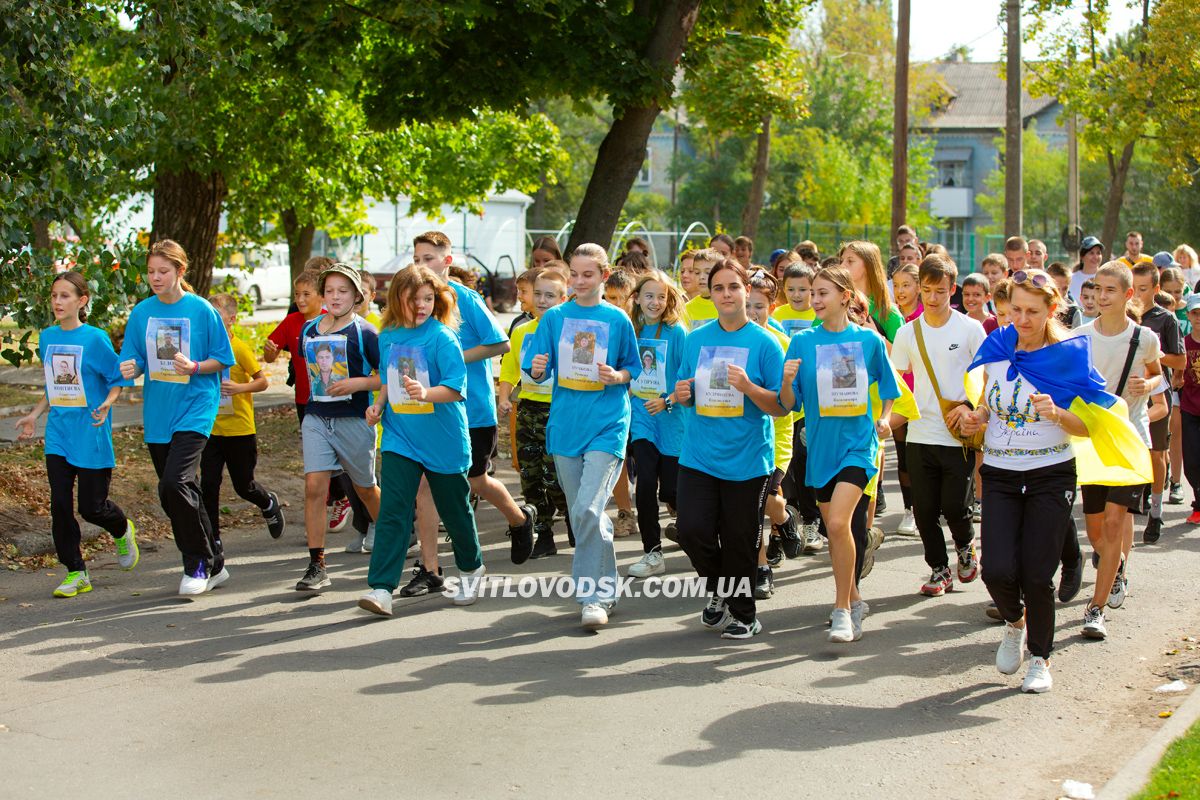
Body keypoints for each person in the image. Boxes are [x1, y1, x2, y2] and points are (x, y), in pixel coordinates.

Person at [958, 269, 1093, 693]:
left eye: (1032, 311)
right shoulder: (997, 344)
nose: (1022, 318)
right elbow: (987, 403)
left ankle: (1040, 657)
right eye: (1015, 309)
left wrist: (1058, 413)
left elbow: (1089, 426)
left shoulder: (1068, 355)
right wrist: (977, 416)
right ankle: (1015, 623)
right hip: (999, 471)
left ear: (1051, 309)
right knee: (996, 570)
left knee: (1037, 573)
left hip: (1051, 472)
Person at [524, 243, 641, 629]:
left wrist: (617, 376)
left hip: (607, 424)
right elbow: (535, 370)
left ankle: (593, 596)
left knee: (590, 509)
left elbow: (632, 370)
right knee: (584, 515)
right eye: (573, 273)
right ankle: (607, 586)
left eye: (587, 274)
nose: (578, 281)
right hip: (566, 426)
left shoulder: (618, 320)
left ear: (604, 277)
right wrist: (538, 368)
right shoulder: (555, 318)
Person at [357, 266, 486, 615]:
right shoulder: (389, 336)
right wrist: (379, 405)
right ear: (398, 298)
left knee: (454, 510)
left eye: (428, 298)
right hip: (400, 436)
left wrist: (426, 392)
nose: (422, 305)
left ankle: (472, 569)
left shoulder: (443, 337)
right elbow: (387, 377)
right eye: (414, 299)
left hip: (443, 439)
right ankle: (381, 589)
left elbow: (457, 389)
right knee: (394, 511)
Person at [781, 266, 900, 643]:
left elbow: (891, 388)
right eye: (812, 294)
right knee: (838, 533)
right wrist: (786, 380)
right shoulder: (802, 343)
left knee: (836, 526)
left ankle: (842, 611)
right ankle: (855, 598)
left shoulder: (869, 341)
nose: (814, 300)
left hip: (858, 446)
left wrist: (883, 419)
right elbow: (789, 404)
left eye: (822, 293)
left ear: (845, 297)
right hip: (819, 448)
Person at [672, 259, 784, 639]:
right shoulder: (695, 339)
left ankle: (744, 614)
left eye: (732, 287)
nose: (726, 294)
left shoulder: (764, 343)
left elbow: (782, 406)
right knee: (690, 530)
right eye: (718, 288)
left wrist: (751, 388)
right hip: (699, 454)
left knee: (740, 540)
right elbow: (684, 393)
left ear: (745, 290)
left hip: (747, 459)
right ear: (711, 292)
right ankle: (721, 589)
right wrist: (682, 395)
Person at [118, 240, 235, 596]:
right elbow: (135, 357)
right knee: (179, 491)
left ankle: (196, 563)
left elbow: (222, 358)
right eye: (151, 271)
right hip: (159, 412)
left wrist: (196, 366)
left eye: (162, 271)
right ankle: (215, 561)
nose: (155, 277)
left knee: (174, 483)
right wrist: (130, 366)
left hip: (196, 406)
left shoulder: (202, 311)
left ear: (180, 272)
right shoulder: (142, 313)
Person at [411, 232, 536, 564]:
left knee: (477, 480)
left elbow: (500, 344)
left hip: (472, 411)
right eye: (417, 260)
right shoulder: (416, 300)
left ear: (447, 262)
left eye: (429, 259)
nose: (422, 265)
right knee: (426, 486)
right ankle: (429, 568)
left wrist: (452, 357)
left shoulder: (464, 298)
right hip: (432, 408)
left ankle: (520, 519)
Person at [16, 272, 137, 597]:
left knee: (91, 507)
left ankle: (122, 528)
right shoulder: (47, 337)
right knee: (59, 504)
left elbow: (117, 378)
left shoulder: (95, 339)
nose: (58, 302)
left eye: (65, 296)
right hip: (59, 432)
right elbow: (54, 383)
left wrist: (108, 405)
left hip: (91, 431)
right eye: (55, 295)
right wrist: (34, 414)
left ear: (82, 301)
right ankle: (75, 572)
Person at [1072, 261, 1161, 639]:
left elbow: (1159, 374)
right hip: (1092, 441)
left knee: (1113, 522)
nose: (1102, 297)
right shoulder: (1078, 336)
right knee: (1095, 532)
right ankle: (1118, 562)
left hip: (1130, 439)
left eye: (1111, 290)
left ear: (1128, 295)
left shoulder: (1144, 338)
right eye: (1097, 289)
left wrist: (1150, 384)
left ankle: (1096, 608)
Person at [890, 254, 986, 597]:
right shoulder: (906, 333)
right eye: (927, 290)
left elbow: (987, 374)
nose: (932, 298)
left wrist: (971, 406)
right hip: (920, 431)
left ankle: (964, 546)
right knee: (924, 510)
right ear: (919, 289)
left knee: (956, 507)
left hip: (958, 433)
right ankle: (938, 569)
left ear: (952, 290)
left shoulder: (970, 329)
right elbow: (894, 380)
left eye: (940, 291)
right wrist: (887, 418)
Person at [294, 262, 383, 591]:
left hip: (354, 420)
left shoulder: (366, 332)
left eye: (342, 291)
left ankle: (396, 535)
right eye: (329, 290)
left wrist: (358, 384)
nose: (335, 297)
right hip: (316, 417)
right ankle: (317, 564)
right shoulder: (310, 330)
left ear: (356, 295)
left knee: (364, 488)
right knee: (314, 487)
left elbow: (385, 376)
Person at [200, 294, 286, 551]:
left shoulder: (239, 348)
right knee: (208, 485)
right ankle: (214, 539)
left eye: (217, 315)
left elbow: (263, 381)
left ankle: (268, 503)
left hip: (240, 429)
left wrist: (239, 388)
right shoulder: (204, 349)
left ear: (232, 319)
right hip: (210, 429)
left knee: (243, 485)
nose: (211, 321)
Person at [498, 265, 572, 560]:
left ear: (563, 298)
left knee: (553, 476)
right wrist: (505, 397)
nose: (542, 300)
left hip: (559, 411)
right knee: (530, 477)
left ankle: (571, 515)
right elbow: (510, 368)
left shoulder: (569, 333)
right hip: (528, 409)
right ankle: (544, 534)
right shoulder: (522, 331)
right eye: (538, 294)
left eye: (550, 295)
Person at [626, 269, 688, 578]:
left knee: (674, 491)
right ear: (636, 298)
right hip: (641, 418)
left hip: (674, 419)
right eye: (649, 295)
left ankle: (701, 535)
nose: (655, 302)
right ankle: (652, 552)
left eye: (661, 296)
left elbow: (689, 376)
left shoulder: (677, 332)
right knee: (646, 483)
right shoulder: (631, 329)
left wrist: (668, 399)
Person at [745, 271, 801, 598]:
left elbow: (793, 399)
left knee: (766, 500)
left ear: (772, 307)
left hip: (777, 437)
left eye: (759, 306)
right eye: (748, 305)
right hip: (745, 439)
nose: (753, 312)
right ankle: (761, 567)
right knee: (752, 506)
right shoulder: (734, 341)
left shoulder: (782, 344)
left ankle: (783, 515)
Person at [1130, 261, 1185, 543]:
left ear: (1156, 289)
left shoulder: (1166, 319)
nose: (1137, 295)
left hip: (1155, 390)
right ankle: (1128, 502)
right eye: (1133, 288)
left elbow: (1180, 360)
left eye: (1143, 289)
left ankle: (1156, 511)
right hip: (1126, 392)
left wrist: (1151, 353)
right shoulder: (1124, 315)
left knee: (1156, 453)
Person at [840, 241, 903, 343]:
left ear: (868, 266)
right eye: (841, 261)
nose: (842, 266)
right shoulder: (834, 305)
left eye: (850, 261)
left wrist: (877, 336)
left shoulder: (890, 314)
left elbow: (903, 357)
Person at [1177, 294, 1200, 525]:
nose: (1199, 317)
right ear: (1189, 315)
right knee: (1192, 461)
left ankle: (1198, 506)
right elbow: (1176, 374)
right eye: (1195, 313)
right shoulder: (1184, 343)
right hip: (1190, 408)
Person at [771, 262, 817, 338]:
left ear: (812, 289)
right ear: (784, 289)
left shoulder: (820, 315)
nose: (796, 295)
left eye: (802, 290)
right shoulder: (775, 314)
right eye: (791, 289)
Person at [683, 248, 723, 329]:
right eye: (697, 272)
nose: (701, 277)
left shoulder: (726, 305)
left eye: (707, 273)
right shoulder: (686, 309)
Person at [1046, 262, 1083, 328]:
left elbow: (1077, 336)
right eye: (1056, 289)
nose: (1060, 293)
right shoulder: (1039, 305)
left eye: (1065, 289)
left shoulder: (1073, 312)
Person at [1069, 236, 1105, 304]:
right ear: (1082, 256)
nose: (1096, 257)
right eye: (1091, 253)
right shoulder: (1071, 279)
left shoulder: (1106, 278)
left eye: (1098, 253)